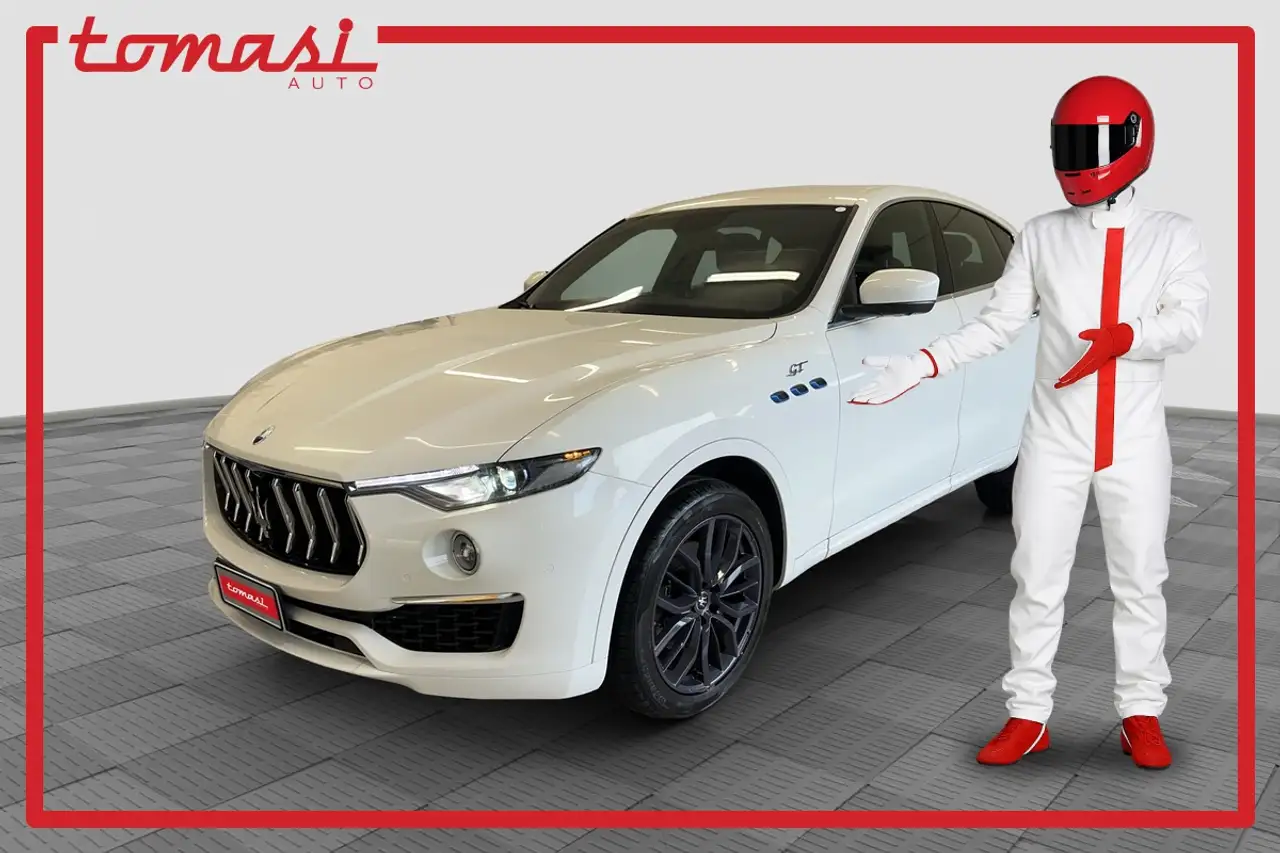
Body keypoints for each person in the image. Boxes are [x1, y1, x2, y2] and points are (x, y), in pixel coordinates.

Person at [849, 76, 1210, 770]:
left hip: (1133, 436)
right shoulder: (1042, 235)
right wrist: (922, 362)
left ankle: (1141, 711)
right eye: (1069, 146)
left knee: (1141, 578)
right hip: (1055, 434)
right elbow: (997, 325)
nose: (1078, 162)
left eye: (1093, 146)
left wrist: (1126, 337)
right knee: (1036, 577)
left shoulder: (1173, 235)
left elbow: (1188, 321)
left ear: (1135, 141)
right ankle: (1028, 714)